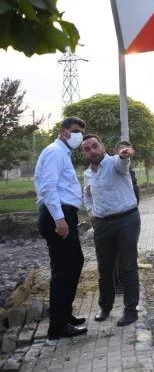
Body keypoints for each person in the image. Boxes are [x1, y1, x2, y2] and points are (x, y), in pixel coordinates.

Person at [34, 116, 88, 342]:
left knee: (74, 263)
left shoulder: (62, 153)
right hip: (57, 214)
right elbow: (48, 187)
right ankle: (57, 327)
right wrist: (59, 218)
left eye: (81, 132)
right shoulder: (55, 152)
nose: (79, 136)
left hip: (63, 213)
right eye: (75, 131)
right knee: (63, 270)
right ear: (62, 131)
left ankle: (64, 315)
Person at [80, 134, 140, 327]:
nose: (92, 151)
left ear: (102, 146)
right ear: (84, 154)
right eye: (87, 149)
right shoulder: (87, 174)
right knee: (105, 269)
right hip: (102, 225)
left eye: (94, 146)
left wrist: (124, 155)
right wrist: (90, 210)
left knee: (127, 267)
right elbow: (87, 194)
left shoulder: (115, 162)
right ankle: (105, 307)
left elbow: (123, 162)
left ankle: (130, 311)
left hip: (126, 221)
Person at [112, 141, 139, 294]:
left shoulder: (129, 168)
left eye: (129, 150)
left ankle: (126, 282)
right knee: (118, 255)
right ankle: (118, 284)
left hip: (131, 216)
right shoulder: (114, 168)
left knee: (129, 253)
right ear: (116, 153)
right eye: (123, 151)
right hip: (119, 218)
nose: (126, 153)